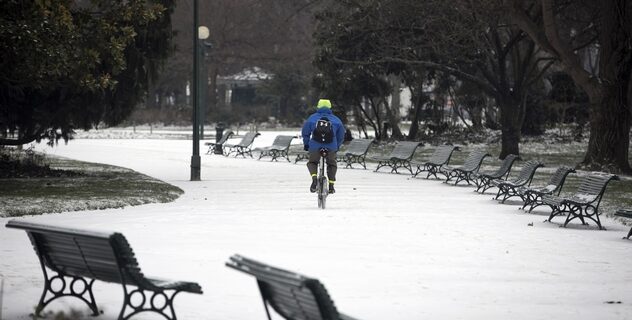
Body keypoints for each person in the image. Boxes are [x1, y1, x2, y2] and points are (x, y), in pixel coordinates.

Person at [301, 99, 346, 194]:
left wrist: (306, 144)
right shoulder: (336, 120)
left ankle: (314, 178)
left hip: (315, 146)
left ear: (318, 107)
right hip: (331, 146)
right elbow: (341, 135)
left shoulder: (312, 118)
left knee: (312, 162)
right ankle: (331, 185)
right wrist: (336, 146)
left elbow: (305, 132)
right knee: (332, 164)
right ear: (330, 107)